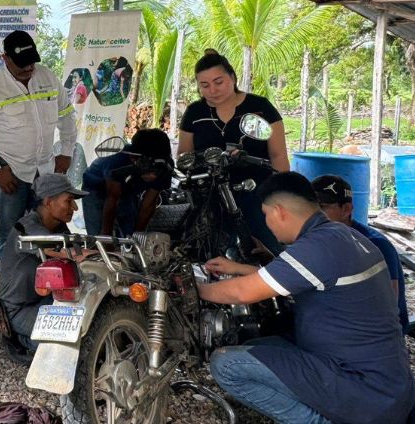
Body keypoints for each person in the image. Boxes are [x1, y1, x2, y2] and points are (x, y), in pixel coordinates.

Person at [198, 172, 414, 424]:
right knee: (259, 346)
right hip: (387, 383)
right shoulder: (343, 235)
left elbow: (243, 293)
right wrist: (236, 268)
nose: (267, 223)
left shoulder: (319, 245)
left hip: (366, 391)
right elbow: (293, 277)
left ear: (278, 211)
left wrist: (195, 289)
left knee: (226, 364)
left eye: (266, 215)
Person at [0, 30, 77, 258]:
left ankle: (44, 275)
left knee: (49, 227)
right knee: (11, 232)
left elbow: (67, 115)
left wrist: (66, 151)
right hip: (10, 171)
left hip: (45, 170)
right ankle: (11, 278)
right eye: (22, 64)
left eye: (31, 63)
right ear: (5, 58)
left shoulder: (48, 78)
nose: (28, 69)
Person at [177, 49, 289, 256]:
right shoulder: (194, 113)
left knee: (271, 249)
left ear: (233, 78)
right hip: (211, 195)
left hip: (257, 193)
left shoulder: (260, 107)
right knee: (210, 253)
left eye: (218, 82)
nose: (213, 90)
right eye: (205, 85)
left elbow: (278, 156)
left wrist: (281, 194)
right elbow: (183, 156)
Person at [0, 174, 89, 351]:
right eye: (69, 201)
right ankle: (20, 340)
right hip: (16, 311)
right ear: (48, 202)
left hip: (43, 300)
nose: (75, 207)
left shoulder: (58, 226)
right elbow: (69, 253)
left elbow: (78, 248)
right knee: (66, 347)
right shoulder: (27, 228)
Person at [312, 174, 409, 332]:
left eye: (322, 207)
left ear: (346, 209)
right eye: (310, 208)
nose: (314, 215)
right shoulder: (318, 239)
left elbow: (388, 304)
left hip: (373, 333)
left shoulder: (375, 244)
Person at [81, 128, 173, 236]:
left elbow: (149, 204)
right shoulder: (116, 160)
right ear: (134, 158)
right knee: (98, 235)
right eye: (149, 169)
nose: (153, 176)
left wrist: (138, 236)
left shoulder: (166, 167)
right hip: (96, 188)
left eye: (157, 170)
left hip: (127, 190)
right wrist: (106, 235)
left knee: (130, 232)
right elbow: (112, 198)